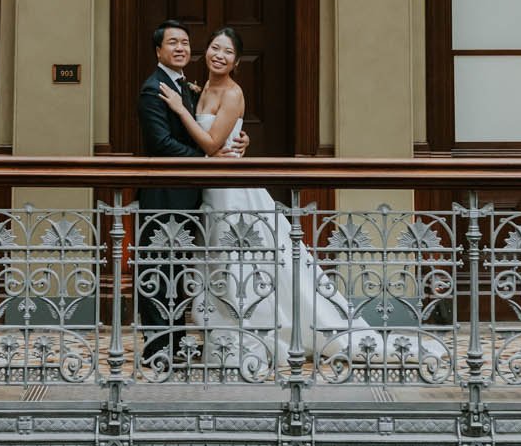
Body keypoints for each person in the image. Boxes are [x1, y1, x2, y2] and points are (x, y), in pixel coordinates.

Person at [159, 27, 441, 376]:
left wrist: (180, 111)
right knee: (221, 262)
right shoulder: (200, 89)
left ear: (237, 61)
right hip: (211, 189)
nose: (219, 55)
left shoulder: (232, 93)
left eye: (228, 52)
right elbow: (221, 140)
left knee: (245, 263)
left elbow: (212, 146)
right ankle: (227, 335)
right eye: (215, 48)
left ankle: (261, 335)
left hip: (232, 189)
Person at [132, 21, 245, 369]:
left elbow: (212, 126)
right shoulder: (154, 89)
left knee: (177, 269)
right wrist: (208, 159)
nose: (180, 48)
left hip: (194, 194)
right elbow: (161, 144)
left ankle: (177, 341)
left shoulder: (191, 87)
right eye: (172, 43)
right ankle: (157, 348)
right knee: (154, 268)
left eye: (184, 42)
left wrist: (238, 141)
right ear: (158, 51)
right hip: (164, 194)